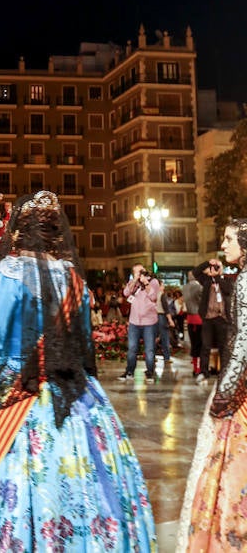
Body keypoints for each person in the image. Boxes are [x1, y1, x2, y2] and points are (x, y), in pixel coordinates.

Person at [0, 191, 157, 552]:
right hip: (78, 401)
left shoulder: (8, 274)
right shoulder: (75, 279)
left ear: (19, 232)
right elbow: (84, 351)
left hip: (20, 400)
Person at [175, 218, 247, 552]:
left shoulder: (243, 280)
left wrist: (225, 393)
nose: (223, 245)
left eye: (230, 239)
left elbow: (244, 342)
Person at [193, 255, 233, 384]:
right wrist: (207, 263)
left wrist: (217, 275)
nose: (215, 268)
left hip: (222, 319)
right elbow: (196, 272)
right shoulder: (206, 281)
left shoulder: (227, 280)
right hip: (208, 319)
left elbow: (228, 290)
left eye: (218, 266)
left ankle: (224, 373)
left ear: (222, 268)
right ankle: (204, 372)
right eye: (214, 266)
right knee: (205, 346)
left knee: (224, 347)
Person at [118, 264, 160, 383]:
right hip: (134, 321)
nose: (140, 273)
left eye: (141, 271)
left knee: (149, 349)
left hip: (149, 321)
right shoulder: (133, 282)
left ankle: (150, 372)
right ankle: (130, 371)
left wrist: (145, 283)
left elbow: (153, 297)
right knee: (132, 348)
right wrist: (135, 280)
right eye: (137, 272)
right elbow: (126, 293)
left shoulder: (153, 282)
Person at [181, 269, 203, 377]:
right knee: (201, 345)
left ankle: (195, 367)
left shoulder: (184, 288)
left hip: (190, 318)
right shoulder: (199, 287)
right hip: (200, 318)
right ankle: (200, 368)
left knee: (194, 344)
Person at [155, 279, 175, 364]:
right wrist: (170, 320)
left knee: (154, 337)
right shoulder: (162, 295)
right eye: (162, 285)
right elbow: (166, 309)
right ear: (159, 286)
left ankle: (152, 356)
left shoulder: (152, 295)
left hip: (153, 317)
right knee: (165, 337)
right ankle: (166, 357)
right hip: (162, 317)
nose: (164, 287)